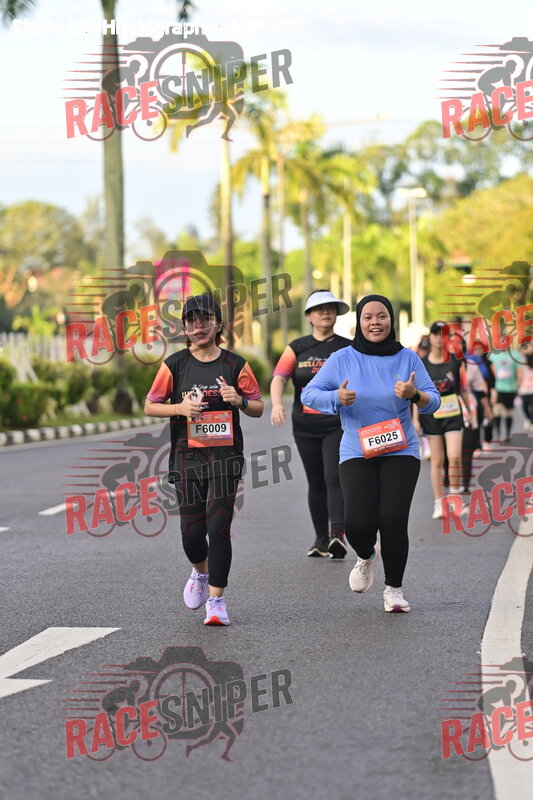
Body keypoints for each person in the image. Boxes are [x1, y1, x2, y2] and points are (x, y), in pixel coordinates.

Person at [301, 295, 440, 613]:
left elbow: (433, 400)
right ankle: (366, 555)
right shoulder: (342, 358)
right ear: (358, 322)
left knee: (393, 520)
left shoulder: (408, 358)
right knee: (357, 524)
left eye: (382, 316)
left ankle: (394, 590)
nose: (375, 322)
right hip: (356, 449)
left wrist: (414, 394)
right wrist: (336, 398)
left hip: (401, 449)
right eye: (368, 317)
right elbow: (309, 395)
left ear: (391, 320)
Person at [144, 294, 264, 626]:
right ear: (184, 327)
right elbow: (150, 404)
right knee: (192, 533)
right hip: (187, 459)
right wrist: (179, 408)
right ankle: (200, 571)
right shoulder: (174, 365)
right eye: (192, 321)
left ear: (218, 324)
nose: (199, 326)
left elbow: (258, 407)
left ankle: (216, 601)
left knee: (218, 528)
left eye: (206, 319)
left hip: (226, 458)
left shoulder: (235, 365)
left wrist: (238, 400)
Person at [271, 290, 351, 558]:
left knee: (333, 476)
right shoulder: (297, 347)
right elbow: (279, 378)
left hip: (336, 422)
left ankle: (337, 534)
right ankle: (320, 539)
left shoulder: (348, 347)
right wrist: (277, 404)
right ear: (308, 316)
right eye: (319, 309)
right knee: (315, 481)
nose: (325, 312)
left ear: (336, 314)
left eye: (330, 308)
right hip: (304, 425)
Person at [413, 321, 472, 520]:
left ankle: (455, 500)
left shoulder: (456, 362)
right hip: (430, 415)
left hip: (453, 413)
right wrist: (415, 420)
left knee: (454, 456)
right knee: (437, 460)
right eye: (436, 334)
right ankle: (439, 503)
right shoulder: (421, 364)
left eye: (444, 334)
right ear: (430, 337)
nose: (439, 338)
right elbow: (416, 394)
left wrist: (470, 412)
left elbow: (463, 388)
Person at [491, 345, 522, 441]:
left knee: (508, 412)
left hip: (510, 388)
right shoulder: (493, 355)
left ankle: (508, 434)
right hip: (498, 388)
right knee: (497, 410)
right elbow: (490, 369)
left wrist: (518, 385)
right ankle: (498, 433)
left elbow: (519, 371)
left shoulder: (515, 355)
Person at [518, 341, 533, 430]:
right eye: (525, 347)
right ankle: (528, 419)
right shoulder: (521, 359)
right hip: (524, 388)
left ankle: (532, 421)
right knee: (524, 406)